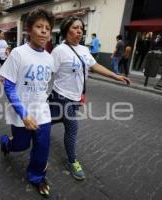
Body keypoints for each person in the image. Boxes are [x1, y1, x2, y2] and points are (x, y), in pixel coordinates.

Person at [48, 16, 130, 181]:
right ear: (66, 31)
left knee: (47, 120)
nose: (79, 31)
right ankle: (73, 161)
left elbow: (95, 66)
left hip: (75, 97)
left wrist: (115, 76)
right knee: (72, 128)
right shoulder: (59, 51)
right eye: (75, 27)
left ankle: (27, 129)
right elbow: (48, 72)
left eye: (81, 28)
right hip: (62, 96)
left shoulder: (84, 50)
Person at [0, 7, 54, 198]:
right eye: (39, 26)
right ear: (29, 30)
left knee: (42, 146)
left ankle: (37, 176)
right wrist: (24, 114)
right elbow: (9, 87)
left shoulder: (49, 58)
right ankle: (6, 143)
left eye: (47, 27)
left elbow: (46, 83)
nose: (44, 31)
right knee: (21, 145)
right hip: (21, 112)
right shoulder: (18, 53)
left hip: (42, 112)